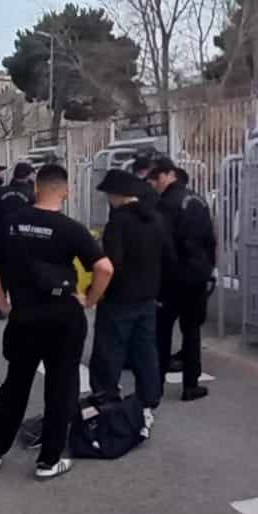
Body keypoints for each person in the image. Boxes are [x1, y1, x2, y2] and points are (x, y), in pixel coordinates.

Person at [0, 163, 113, 479]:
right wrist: (89, 300)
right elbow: (105, 268)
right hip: (62, 318)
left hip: (23, 316)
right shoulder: (71, 229)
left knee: (16, 383)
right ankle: (49, 460)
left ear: (36, 188)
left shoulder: (11, 223)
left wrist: (2, 303)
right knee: (61, 386)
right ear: (65, 192)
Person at [88, 168, 167, 432]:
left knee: (109, 351)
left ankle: (106, 398)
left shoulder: (118, 223)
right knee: (145, 350)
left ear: (116, 195)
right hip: (147, 296)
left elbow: (112, 263)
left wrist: (94, 292)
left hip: (119, 298)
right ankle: (149, 397)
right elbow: (167, 257)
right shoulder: (155, 219)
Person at [148, 158, 215, 402]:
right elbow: (210, 240)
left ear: (170, 175)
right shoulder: (199, 200)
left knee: (161, 333)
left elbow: (162, 245)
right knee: (192, 330)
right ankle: (190, 384)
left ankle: (156, 386)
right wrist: (209, 270)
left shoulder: (164, 205)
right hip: (197, 276)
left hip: (171, 279)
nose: (153, 182)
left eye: (157, 177)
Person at [0, 163, 34, 321]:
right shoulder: (31, 194)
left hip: (3, 238)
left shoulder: (1, 192)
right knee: (24, 274)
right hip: (25, 238)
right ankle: (23, 308)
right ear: (28, 175)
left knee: (3, 275)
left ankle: (0, 307)